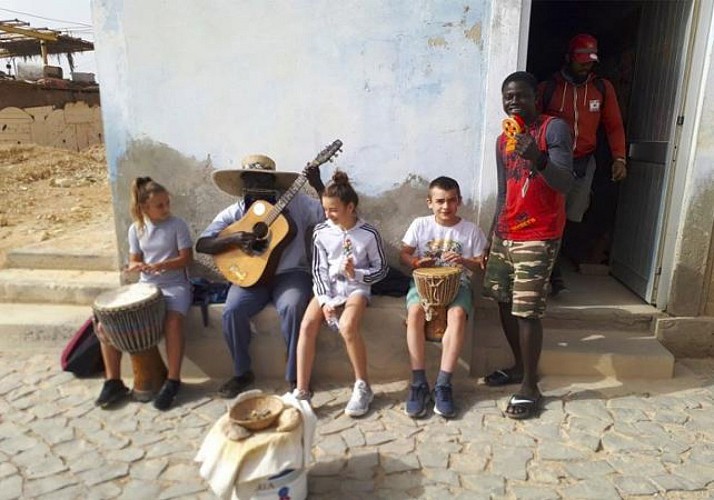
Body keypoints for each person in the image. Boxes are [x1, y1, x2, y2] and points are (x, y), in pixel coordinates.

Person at [482, 71, 574, 419]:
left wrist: (539, 157)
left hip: (540, 233)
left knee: (527, 310)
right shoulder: (501, 140)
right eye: (508, 97)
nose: (513, 102)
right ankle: (520, 367)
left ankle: (530, 386)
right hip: (506, 233)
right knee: (503, 302)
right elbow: (504, 191)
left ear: (536, 97)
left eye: (520, 96)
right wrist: (494, 235)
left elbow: (565, 183)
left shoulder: (553, 129)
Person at [195, 154, 325, 398]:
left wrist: (318, 185)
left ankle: (296, 376)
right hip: (250, 276)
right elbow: (202, 244)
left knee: (293, 306)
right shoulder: (235, 212)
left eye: (261, 180)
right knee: (232, 310)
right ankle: (242, 372)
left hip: (290, 273)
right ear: (243, 185)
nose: (256, 186)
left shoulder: (296, 203)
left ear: (273, 182)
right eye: (250, 181)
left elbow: (329, 213)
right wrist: (234, 239)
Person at [537, 33, 627, 295]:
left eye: (590, 61)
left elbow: (614, 126)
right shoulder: (549, 88)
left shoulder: (602, 88)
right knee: (551, 215)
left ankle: (555, 265)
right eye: (580, 61)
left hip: (583, 163)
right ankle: (552, 275)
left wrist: (619, 157)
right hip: (553, 163)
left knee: (569, 216)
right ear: (568, 58)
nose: (586, 66)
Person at [294, 170, 388, 417]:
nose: (328, 215)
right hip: (329, 287)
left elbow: (381, 269)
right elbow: (318, 268)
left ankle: (363, 386)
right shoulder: (321, 232)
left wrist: (356, 273)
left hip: (356, 287)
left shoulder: (368, 234)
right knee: (307, 325)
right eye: (325, 209)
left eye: (333, 210)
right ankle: (302, 392)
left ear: (350, 207)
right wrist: (324, 301)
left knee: (347, 326)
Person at [95, 177, 193, 411]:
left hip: (175, 285)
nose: (166, 208)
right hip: (147, 286)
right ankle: (113, 381)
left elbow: (186, 259)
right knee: (103, 325)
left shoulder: (177, 225)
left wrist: (162, 265)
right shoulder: (135, 229)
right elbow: (135, 260)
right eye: (160, 205)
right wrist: (136, 267)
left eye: (167, 203)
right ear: (143, 208)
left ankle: (173, 380)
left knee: (173, 322)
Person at [400, 176, 487, 419]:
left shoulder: (471, 230)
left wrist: (463, 261)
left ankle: (443, 384)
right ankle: (418, 383)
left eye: (451, 201)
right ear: (430, 202)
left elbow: (481, 265)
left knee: (457, 315)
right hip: (423, 283)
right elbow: (404, 254)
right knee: (415, 313)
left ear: (459, 201)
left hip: (458, 283)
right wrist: (417, 262)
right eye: (440, 201)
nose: (445, 206)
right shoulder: (420, 225)